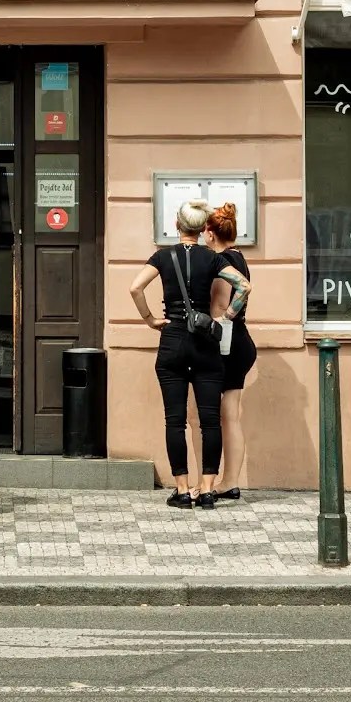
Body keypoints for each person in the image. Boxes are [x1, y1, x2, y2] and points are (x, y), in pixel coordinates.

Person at [128, 199, 251, 511]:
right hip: (205, 342)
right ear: (201, 229)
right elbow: (243, 286)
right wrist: (227, 318)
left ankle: (182, 489)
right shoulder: (211, 258)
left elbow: (135, 288)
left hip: (172, 341)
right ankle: (208, 489)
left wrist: (151, 320)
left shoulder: (163, 256)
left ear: (178, 224)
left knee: (175, 420)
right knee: (210, 420)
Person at [203, 202, 257, 501]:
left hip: (229, 343)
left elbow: (223, 305)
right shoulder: (239, 256)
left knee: (225, 416)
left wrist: (224, 319)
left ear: (210, 233)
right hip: (241, 343)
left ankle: (227, 480)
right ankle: (230, 480)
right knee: (231, 415)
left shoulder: (222, 262)